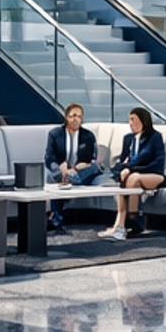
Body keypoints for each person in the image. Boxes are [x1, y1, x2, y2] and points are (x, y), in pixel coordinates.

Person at [102, 106, 166, 239]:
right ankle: (122, 225)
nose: (131, 123)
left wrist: (131, 169)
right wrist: (124, 168)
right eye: (130, 120)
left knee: (134, 178)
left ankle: (129, 221)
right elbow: (123, 161)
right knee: (126, 180)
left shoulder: (155, 137)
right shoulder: (128, 139)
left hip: (154, 174)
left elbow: (158, 162)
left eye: (134, 120)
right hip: (132, 177)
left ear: (144, 121)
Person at [42, 101, 104, 236]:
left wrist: (76, 167)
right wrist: (59, 168)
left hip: (82, 171)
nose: (76, 119)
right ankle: (57, 219)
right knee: (53, 175)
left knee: (94, 167)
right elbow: (49, 158)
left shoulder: (88, 135)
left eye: (79, 116)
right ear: (66, 117)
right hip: (61, 171)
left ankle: (56, 218)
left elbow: (91, 158)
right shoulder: (55, 134)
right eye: (73, 116)